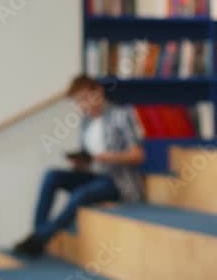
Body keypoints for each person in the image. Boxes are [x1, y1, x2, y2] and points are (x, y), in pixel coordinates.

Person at [12, 75, 145, 257]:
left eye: (84, 99)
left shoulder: (121, 115)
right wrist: (81, 162)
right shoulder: (86, 122)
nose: (83, 105)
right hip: (94, 175)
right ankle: (38, 236)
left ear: (98, 92)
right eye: (78, 102)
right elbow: (91, 159)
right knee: (51, 175)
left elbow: (138, 155)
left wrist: (108, 158)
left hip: (117, 181)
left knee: (81, 194)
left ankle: (38, 239)